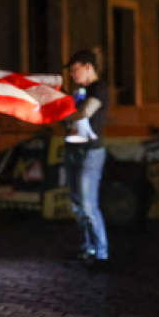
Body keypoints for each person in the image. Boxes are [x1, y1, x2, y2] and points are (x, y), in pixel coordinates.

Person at [62, 49, 111, 268]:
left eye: (75, 70)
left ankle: (101, 253)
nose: (73, 75)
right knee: (77, 204)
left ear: (88, 67)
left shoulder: (99, 88)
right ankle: (89, 247)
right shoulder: (79, 91)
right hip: (73, 148)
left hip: (91, 151)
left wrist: (61, 114)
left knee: (88, 204)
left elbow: (86, 112)